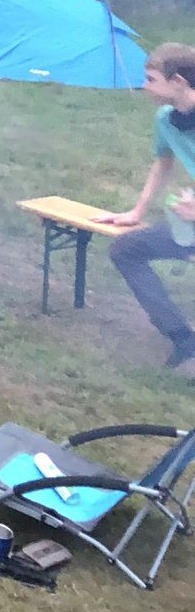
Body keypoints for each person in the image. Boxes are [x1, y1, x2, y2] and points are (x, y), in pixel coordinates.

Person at [101, 43, 195, 369]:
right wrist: (136, 212)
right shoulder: (166, 119)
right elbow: (163, 163)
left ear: (179, 82)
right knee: (125, 249)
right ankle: (183, 339)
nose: (144, 86)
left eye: (151, 79)